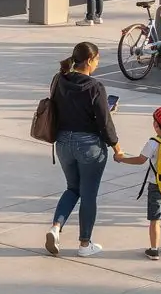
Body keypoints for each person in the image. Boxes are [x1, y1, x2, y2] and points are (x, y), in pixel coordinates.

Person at [44, 41, 122, 258]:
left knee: (72, 188)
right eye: (97, 60)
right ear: (89, 60)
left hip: (63, 144)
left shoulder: (59, 79)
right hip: (89, 146)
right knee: (88, 194)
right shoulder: (95, 87)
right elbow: (104, 123)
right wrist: (117, 148)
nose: (98, 64)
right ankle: (84, 243)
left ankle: (56, 227)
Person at [115, 107, 161, 260]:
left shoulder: (153, 143)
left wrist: (121, 158)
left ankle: (154, 249)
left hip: (157, 187)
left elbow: (140, 160)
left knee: (155, 219)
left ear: (155, 125)